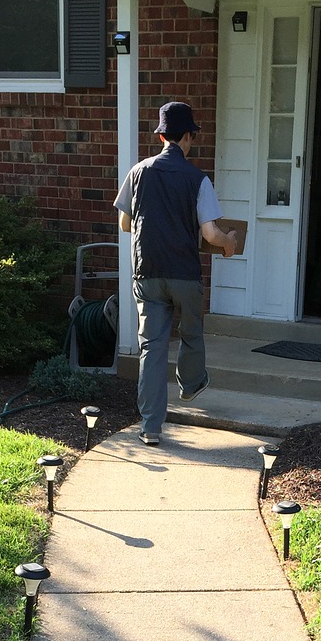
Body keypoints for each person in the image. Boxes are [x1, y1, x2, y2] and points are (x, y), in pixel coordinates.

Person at [114, 101, 237, 445]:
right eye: (192, 136)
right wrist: (228, 243)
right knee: (191, 332)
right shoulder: (198, 179)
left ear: (161, 136)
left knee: (152, 349)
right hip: (184, 273)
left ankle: (151, 427)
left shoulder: (137, 172)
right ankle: (191, 385)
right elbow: (211, 234)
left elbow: (125, 224)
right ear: (185, 137)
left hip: (147, 273)